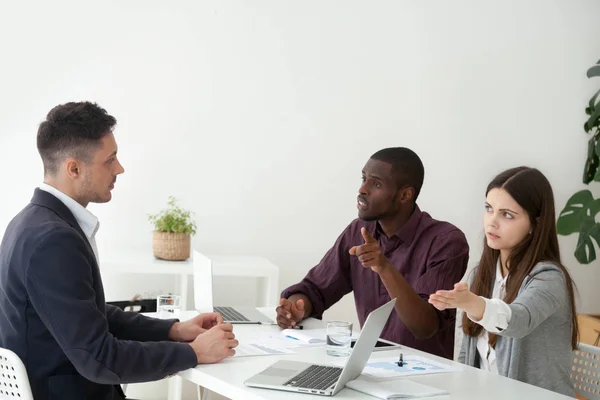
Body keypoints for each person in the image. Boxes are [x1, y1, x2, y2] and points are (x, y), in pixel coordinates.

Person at [0, 102, 239, 400]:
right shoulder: (54, 240)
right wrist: (193, 353)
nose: (120, 168)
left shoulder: (28, 223)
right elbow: (99, 357)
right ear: (74, 168)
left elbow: (91, 315)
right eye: (109, 160)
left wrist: (174, 331)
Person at [277, 147, 469, 359]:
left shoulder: (446, 241)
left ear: (405, 195)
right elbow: (316, 289)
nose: (362, 189)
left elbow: (424, 326)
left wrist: (384, 267)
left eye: (375, 183)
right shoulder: (358, 231)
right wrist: (296, 309)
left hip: (428, 377)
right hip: (369, 368)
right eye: (363, 178)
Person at [428, 167, 578, 396]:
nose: (492, 222)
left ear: (535, 224)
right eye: (489, 209)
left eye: (507, 214)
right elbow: (465, 359)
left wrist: (472, 303)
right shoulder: (481, 274)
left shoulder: (549, 278)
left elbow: (518, 320)